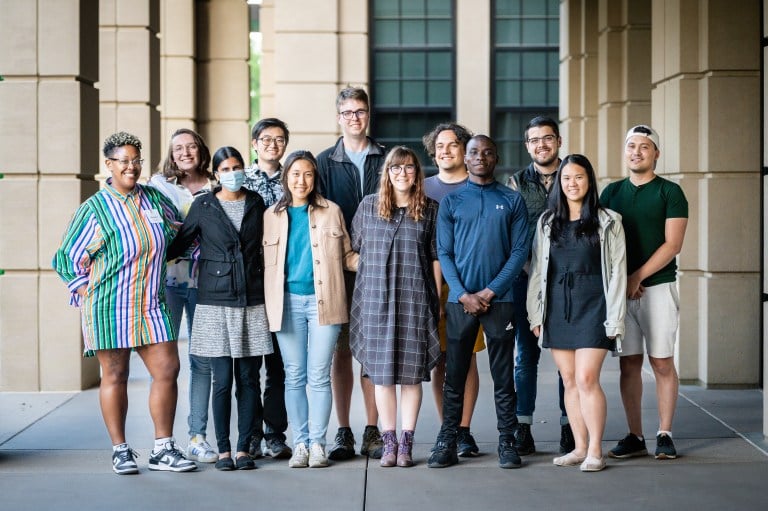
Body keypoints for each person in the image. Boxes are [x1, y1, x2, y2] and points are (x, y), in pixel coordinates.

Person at [53, 131, 196, 475]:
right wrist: (84, 289)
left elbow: (179, 233)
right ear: (109, 165)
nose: (131, 167)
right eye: (124, 161)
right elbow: (65, 257)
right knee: (115, 375)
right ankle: (121, 450)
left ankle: (163, 448)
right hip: (108, 305)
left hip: (151, 302)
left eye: (136, 160)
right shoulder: (94, 209)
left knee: (168, 369)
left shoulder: (153, 200)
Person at [168, 146, 272, 471]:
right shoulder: (204, 204)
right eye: (225, 168)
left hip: (251, 299)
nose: (232, 172)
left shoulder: (256, 202)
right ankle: (224, 450)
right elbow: (180, 245)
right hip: (214, 301)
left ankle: (244, 449)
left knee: (249, 379)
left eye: (237, 166)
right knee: (222, 380)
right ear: (215, 174)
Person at [428, 135, 528, 469]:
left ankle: (506, 441)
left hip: (501, 302)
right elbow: (444, 252)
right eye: (473, 152)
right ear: (465, 159)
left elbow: (518, 253)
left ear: (495, 157)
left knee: (503, 376)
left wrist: (489, 292)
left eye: (486, 152)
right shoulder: (452, 202)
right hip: (461, 302)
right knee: (453, 375)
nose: (480, 157)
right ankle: (447, 440)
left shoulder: (512, 200)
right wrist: (461, 293)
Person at [527, 154, 627, 472]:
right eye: (566, 178)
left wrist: (616, 319)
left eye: (579, 177)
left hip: (595, 306)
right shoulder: (547, 223)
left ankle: (596, 449)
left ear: (589, 181)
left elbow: (618, 273)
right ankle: (579, 446)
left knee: (586, 378)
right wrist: (535, 314)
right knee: (569, 379)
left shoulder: (608, 220)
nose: (572, 183)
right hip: (558, 307)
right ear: (559, 183)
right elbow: (538, 273)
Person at [263, 150, 358, 468]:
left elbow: (347, 257)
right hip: (286, 304)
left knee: (318, 376)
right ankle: (299, 444)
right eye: (295, 174)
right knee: (294, 376)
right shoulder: (270, 216)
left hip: (325, 303)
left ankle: (318, 443)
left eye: (307, 174)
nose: (301, 180)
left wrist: (377, 258)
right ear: (286, 177)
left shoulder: (331, 211)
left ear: (314, 178)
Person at [600, 125, 688, 460]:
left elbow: (673, 244)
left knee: (662, 362)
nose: (637, 152)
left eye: (645, 147)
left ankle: (664, 433)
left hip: (658, 289)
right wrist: (621, 282)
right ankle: (635, 435)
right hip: (623, 293)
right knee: (629, 364)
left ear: (656, 154)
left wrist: (636, 276)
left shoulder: (670, 192)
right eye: (631, 146)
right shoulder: (611, 193)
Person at [350, 146, 442, 467]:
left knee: (411, 377)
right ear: (387, 173)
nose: (402, 174)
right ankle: (388, 443)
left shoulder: (431, 210)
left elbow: (435, 258)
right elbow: (354, 252)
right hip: (375, 301)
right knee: (382, 377)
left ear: (417, 173)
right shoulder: (368, 207)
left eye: (409, 168)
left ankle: (406, 443)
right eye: (396, 168)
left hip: (415, 300)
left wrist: (436, 301)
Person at [316, 86, 386, 460]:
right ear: (338, 116)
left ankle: (372, 430)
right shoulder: (325, 162)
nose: (355, 118)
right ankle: (343, 430)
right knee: (340, 353)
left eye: (360, 111)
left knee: (372, 352)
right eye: (348, 112)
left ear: (368, 114)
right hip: (338, 270)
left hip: (379, 269)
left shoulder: (388, 158)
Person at [149, 128, 217, 464]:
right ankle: (164, 441)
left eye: (191, 146)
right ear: (171, 154)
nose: (186, 152)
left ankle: (197, 436)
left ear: (201, 150)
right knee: (165, 362)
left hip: (209, 284)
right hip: (168, 284)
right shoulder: (158, 187)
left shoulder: (218, 183)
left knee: (202, 360)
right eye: (178, 148)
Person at [506, 116, 574, 456]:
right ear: (527, 145)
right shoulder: (516, 183)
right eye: (534, 140)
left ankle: (569, 425)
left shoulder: (575, 176)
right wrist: (531, 271)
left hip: (569, 282)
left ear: (558, 141)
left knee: (566, 358)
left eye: (547, 138)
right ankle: (523, 426)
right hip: (526, 280)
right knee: (525, 355)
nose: (541, 145)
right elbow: (515, 235)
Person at [422, 122, 485, 457]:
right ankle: (447, 426)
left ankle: (464, 430)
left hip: (469, 283)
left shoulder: (478, 185)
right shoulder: (422, 187)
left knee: (467, 357)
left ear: (465, 150)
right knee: (441, 360)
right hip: (432, 283)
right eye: (440, 146)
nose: (445, 151)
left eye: (452, 145)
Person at [243, 117, 292, 460]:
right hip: (248, 284)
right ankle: (250, 434)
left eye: (279, 139)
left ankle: (275, 433)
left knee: (278, 366)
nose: (272, 144)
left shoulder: (295, 179)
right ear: (254, 143)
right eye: (266, 139)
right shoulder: (239, 180)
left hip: (284, 286)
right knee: (248, 366)